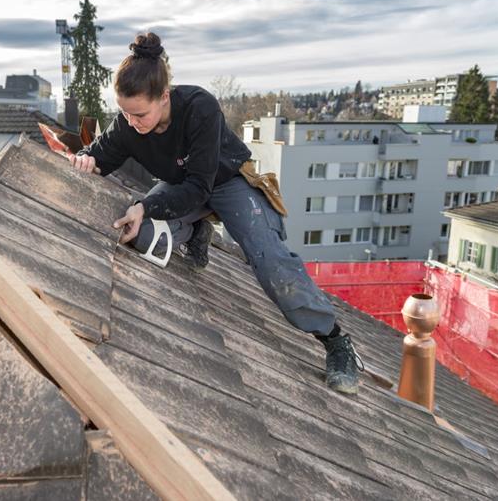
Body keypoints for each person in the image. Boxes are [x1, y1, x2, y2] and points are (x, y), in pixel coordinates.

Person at [71, 33, 362, 394]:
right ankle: (196, 233)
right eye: (125, 113)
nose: (132, 123)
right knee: (141, 235)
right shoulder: (129, 123)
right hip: (183, 189)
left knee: (269, 259)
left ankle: (335, 340)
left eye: (140, 114)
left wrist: (145, 204)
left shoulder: (199, 107)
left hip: (224, 182)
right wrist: (84, 161)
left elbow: (200, 187)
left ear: (164, 96)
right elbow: (100, 155)